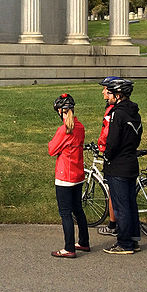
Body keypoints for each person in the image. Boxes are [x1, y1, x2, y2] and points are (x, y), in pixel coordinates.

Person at [102, 78, 143, 255]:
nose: (107, 96)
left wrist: (107, 155)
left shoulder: (117, 114)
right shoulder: (134, 112)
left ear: (118, 95)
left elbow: (112, 140)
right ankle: (133, 239)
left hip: (118, 164)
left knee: (121, 206)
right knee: (130, 203)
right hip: (131, 161)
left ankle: (124, 243)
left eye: (110, 93)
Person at [48, 94, 90, 258]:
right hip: (78, 173)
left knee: (65, 213)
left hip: (64, 175)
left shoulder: (63, 129)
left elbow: (52, 149)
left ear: (60, 111)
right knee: (78, 209)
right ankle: (84, 242)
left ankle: (69, 247)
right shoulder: (80, 127)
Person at [97, 76, 119, 237]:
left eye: (105, 89)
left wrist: (102, 147)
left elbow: (107, 134)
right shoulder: (113, 109)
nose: (103, 91)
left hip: (115, 157)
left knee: (114, 191)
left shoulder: (113, 111)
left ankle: (114, 225)